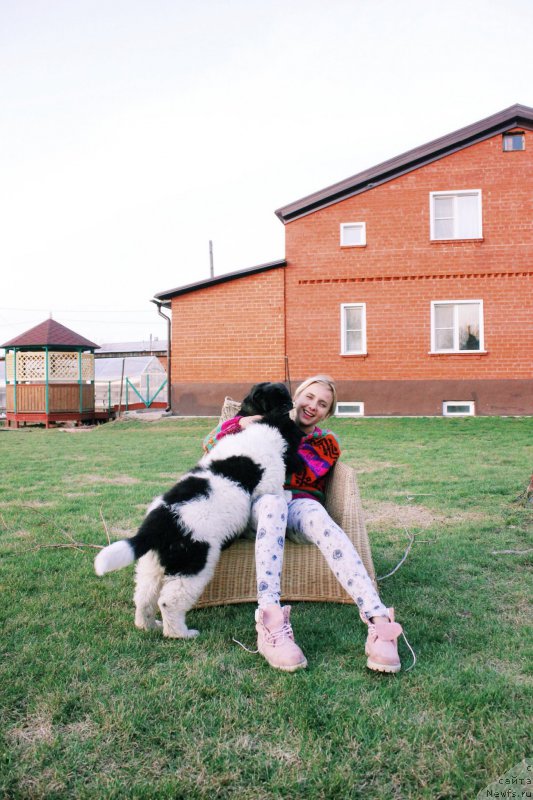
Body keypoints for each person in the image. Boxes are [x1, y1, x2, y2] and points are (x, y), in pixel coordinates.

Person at [203, 375, 407, 674]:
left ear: (327, 413)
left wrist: (266, 435)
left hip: (298, 505)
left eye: (323, 404)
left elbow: (301, 473)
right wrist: (241, 426)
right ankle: (270, 621)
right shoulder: (256, 421)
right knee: (272, 503)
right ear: (295, 397)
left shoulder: (326, 443)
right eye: (309, 397)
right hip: (257, 506)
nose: (313, 406)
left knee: (319, 518)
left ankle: (379, 622)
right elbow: (210, 444)